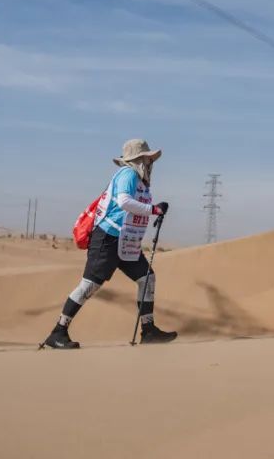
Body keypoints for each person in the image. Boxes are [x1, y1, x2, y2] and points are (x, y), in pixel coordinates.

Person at [43, 139, 177, 349]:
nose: (151, 163)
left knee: (147, 278)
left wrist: (154, 209)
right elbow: (124, 201)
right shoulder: (128, 174)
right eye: (148, 159)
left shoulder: (140, 181)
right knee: (89, 285)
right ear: (138, 159)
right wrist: (154, 209)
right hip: (108, 238)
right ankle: (58, 331)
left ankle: (148, 330)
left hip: (126, 241)